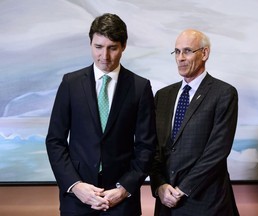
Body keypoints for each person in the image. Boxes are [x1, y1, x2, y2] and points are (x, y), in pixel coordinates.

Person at [46, 13, 156, 216]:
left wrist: (124, 189)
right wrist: (75, 185)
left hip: (121, 201)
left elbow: (147, 146)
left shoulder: (140, 87)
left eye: (112, 48)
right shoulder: (71, 83)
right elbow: (55, 141)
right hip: (77, 199)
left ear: (123, 46)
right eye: (98, 47)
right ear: (90, 44)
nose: (104, 56)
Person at [149, 29, 239, 216]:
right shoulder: (163, 96)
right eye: (177, 51)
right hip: (166, 203)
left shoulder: (224, 93)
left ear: (204, 53)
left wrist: (183, 189)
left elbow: (217, 151)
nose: (180, 58)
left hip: (205, 203)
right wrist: (159, 185)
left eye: (187, 51)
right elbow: (153, 147)